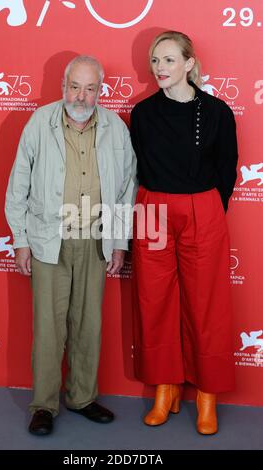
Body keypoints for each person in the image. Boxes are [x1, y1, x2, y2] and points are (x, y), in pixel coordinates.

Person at [5, 55, 136, 435]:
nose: (81, 96)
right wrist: (20, 240)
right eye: (75, 86)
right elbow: (18, 187)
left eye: (90, 88)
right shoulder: (38, 124)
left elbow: (127, 189)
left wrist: (118, 242)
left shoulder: (115, 127)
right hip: (49, 241)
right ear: (63, 86)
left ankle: (82, 397)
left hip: (95, 240)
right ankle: (43, 405)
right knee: (48, 327)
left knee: (88, 325)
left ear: (100, 90)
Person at [130, 31, 238, 435]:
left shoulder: (216, 112)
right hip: (153, 209)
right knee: (154, 301)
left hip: (202, 208)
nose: (159, 68)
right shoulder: (141, 114)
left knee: (205, 304)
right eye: (155, 60)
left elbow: (227, 166)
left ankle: (207, 394)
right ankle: (166, 387)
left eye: (169, 60)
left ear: (190, 63)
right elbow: (137, 167)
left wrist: (206, 208)